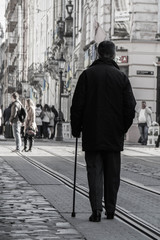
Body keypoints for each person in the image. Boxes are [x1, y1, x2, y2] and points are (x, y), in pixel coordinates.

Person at [71, 41, 136, 222]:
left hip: (92, 134)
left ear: (98, 54)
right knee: (112, 174)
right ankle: (111, 210)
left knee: (94, 172)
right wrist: (122, 128)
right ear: (114, 55)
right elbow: (130, 107)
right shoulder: (121, 78)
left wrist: (76, 129)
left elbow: (77, 106)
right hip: (114, 135)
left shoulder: (87, 75)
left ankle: (96, 211)